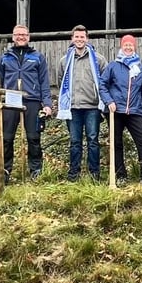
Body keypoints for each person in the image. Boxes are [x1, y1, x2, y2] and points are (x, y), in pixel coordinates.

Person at [99, 35, 142, 186]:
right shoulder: (113, 66)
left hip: (135, 111)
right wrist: (109, 101)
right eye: (125, 45)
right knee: (116, 144)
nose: (128, 47)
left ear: (134, 47)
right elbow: (102, 85)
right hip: (115, 111)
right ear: (121, 46)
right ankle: (120, 176)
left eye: (130, 45)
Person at [0, 24, 52, 182]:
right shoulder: (5, 57)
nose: (21, 37)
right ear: (13, 37)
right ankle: (5, 171)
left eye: (24, 34)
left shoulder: (37, 57)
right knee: (7, 138)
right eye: (18, 34)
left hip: (32, 100)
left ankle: (35, 171)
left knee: (33, 137)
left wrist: (47, 103)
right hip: (11, 100)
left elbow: (44, 82)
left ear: (29, 37)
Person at [55, 25, 107, 181]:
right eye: (76, 37)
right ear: (72, 39)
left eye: (82, 37)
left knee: (93, 140)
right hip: (73, 108)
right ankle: (74, 174)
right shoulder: (64, 61)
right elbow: (60, 82)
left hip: (92, 107)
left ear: (87, 38)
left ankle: (94, 174)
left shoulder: (98, 59)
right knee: (75, 142)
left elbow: (105, 82)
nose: (79, 39)